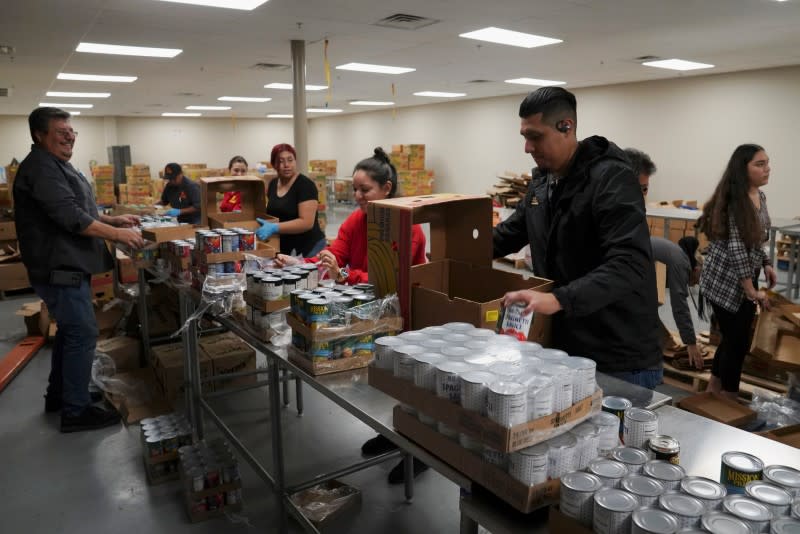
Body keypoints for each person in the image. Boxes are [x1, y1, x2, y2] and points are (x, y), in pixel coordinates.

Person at [275, 147, 428, 483]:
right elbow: (337, 252)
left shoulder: (407, 228)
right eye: (355, 190)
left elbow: (386, 281)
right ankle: (395, 434)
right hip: (371, 314)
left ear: (386, 189)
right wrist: (305, 264)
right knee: (390, 384)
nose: (357, 196)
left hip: (402, 315)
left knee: (409, 385)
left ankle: (421, 453)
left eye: (365, 190)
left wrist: (347, 275)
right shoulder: (358, 219)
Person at [493, 87, 663, 389]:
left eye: (535, 137)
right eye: (524, 137)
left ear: (566, 127)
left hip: (617, 355)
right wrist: (453, 252)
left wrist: (558, 299)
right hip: (567, 344)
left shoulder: (611, 179)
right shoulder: (543, 182)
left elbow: (630, 263)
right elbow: (509, 234)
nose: (527, 148)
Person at [14, 106, 145, 432]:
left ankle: (60, 395)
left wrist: (113, 219)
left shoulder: (56, 165)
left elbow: (79, 207)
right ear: (39, 135)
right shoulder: (42, 169)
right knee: (83, 332)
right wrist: (118, 235)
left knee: (71, 332)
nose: (69, 137)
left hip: (65, 263)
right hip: (59, 266)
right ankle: (75, 411)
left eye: (71, 132)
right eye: (61, 132)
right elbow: (70, 216)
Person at [698, 144, 775, 400]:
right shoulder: (735, 201)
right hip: (724, 281)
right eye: (759, 164)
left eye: (767, 163)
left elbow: (757, 238)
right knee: (738, 341)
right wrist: (751, 289)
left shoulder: (759, 197)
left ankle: (715, 389)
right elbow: (737, 248)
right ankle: (729, 398)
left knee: (733, 339)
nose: (767, 169)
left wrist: (766, 263)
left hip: (743, 278)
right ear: (743, 169)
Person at [626, 147, 704, 370]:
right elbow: (679, 304)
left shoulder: (673, 256)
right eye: (637, 189)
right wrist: (690, 342)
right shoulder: (680, 262)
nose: (641, 197)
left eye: (645, 190)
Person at [258, 143, 326, 257]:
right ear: (274, 164)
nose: (286, 165)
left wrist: (275, 227)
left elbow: (306, 222)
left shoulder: (305, 185)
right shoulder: (273, 184)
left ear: (295, 161)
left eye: (290, 160)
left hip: (308, 248)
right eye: (281, 161)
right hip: (285, 248)